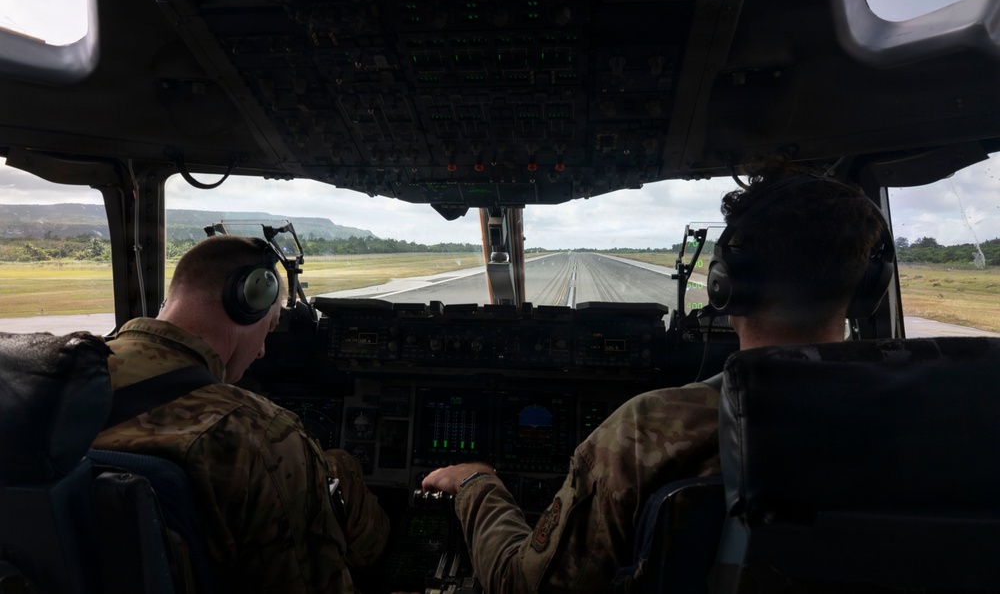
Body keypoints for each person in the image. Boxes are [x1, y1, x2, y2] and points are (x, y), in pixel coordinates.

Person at [420, 165, 889, 593]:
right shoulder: (935, 419)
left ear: (726, 286)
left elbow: (524, 586)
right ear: (868, 290)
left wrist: (474, 483)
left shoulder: (648, 430)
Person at [93, 235, 390, 593]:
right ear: (247, 303)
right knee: (337, 467)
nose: (263, 350)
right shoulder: (263, 437)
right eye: (270, 326)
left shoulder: (52, 380)